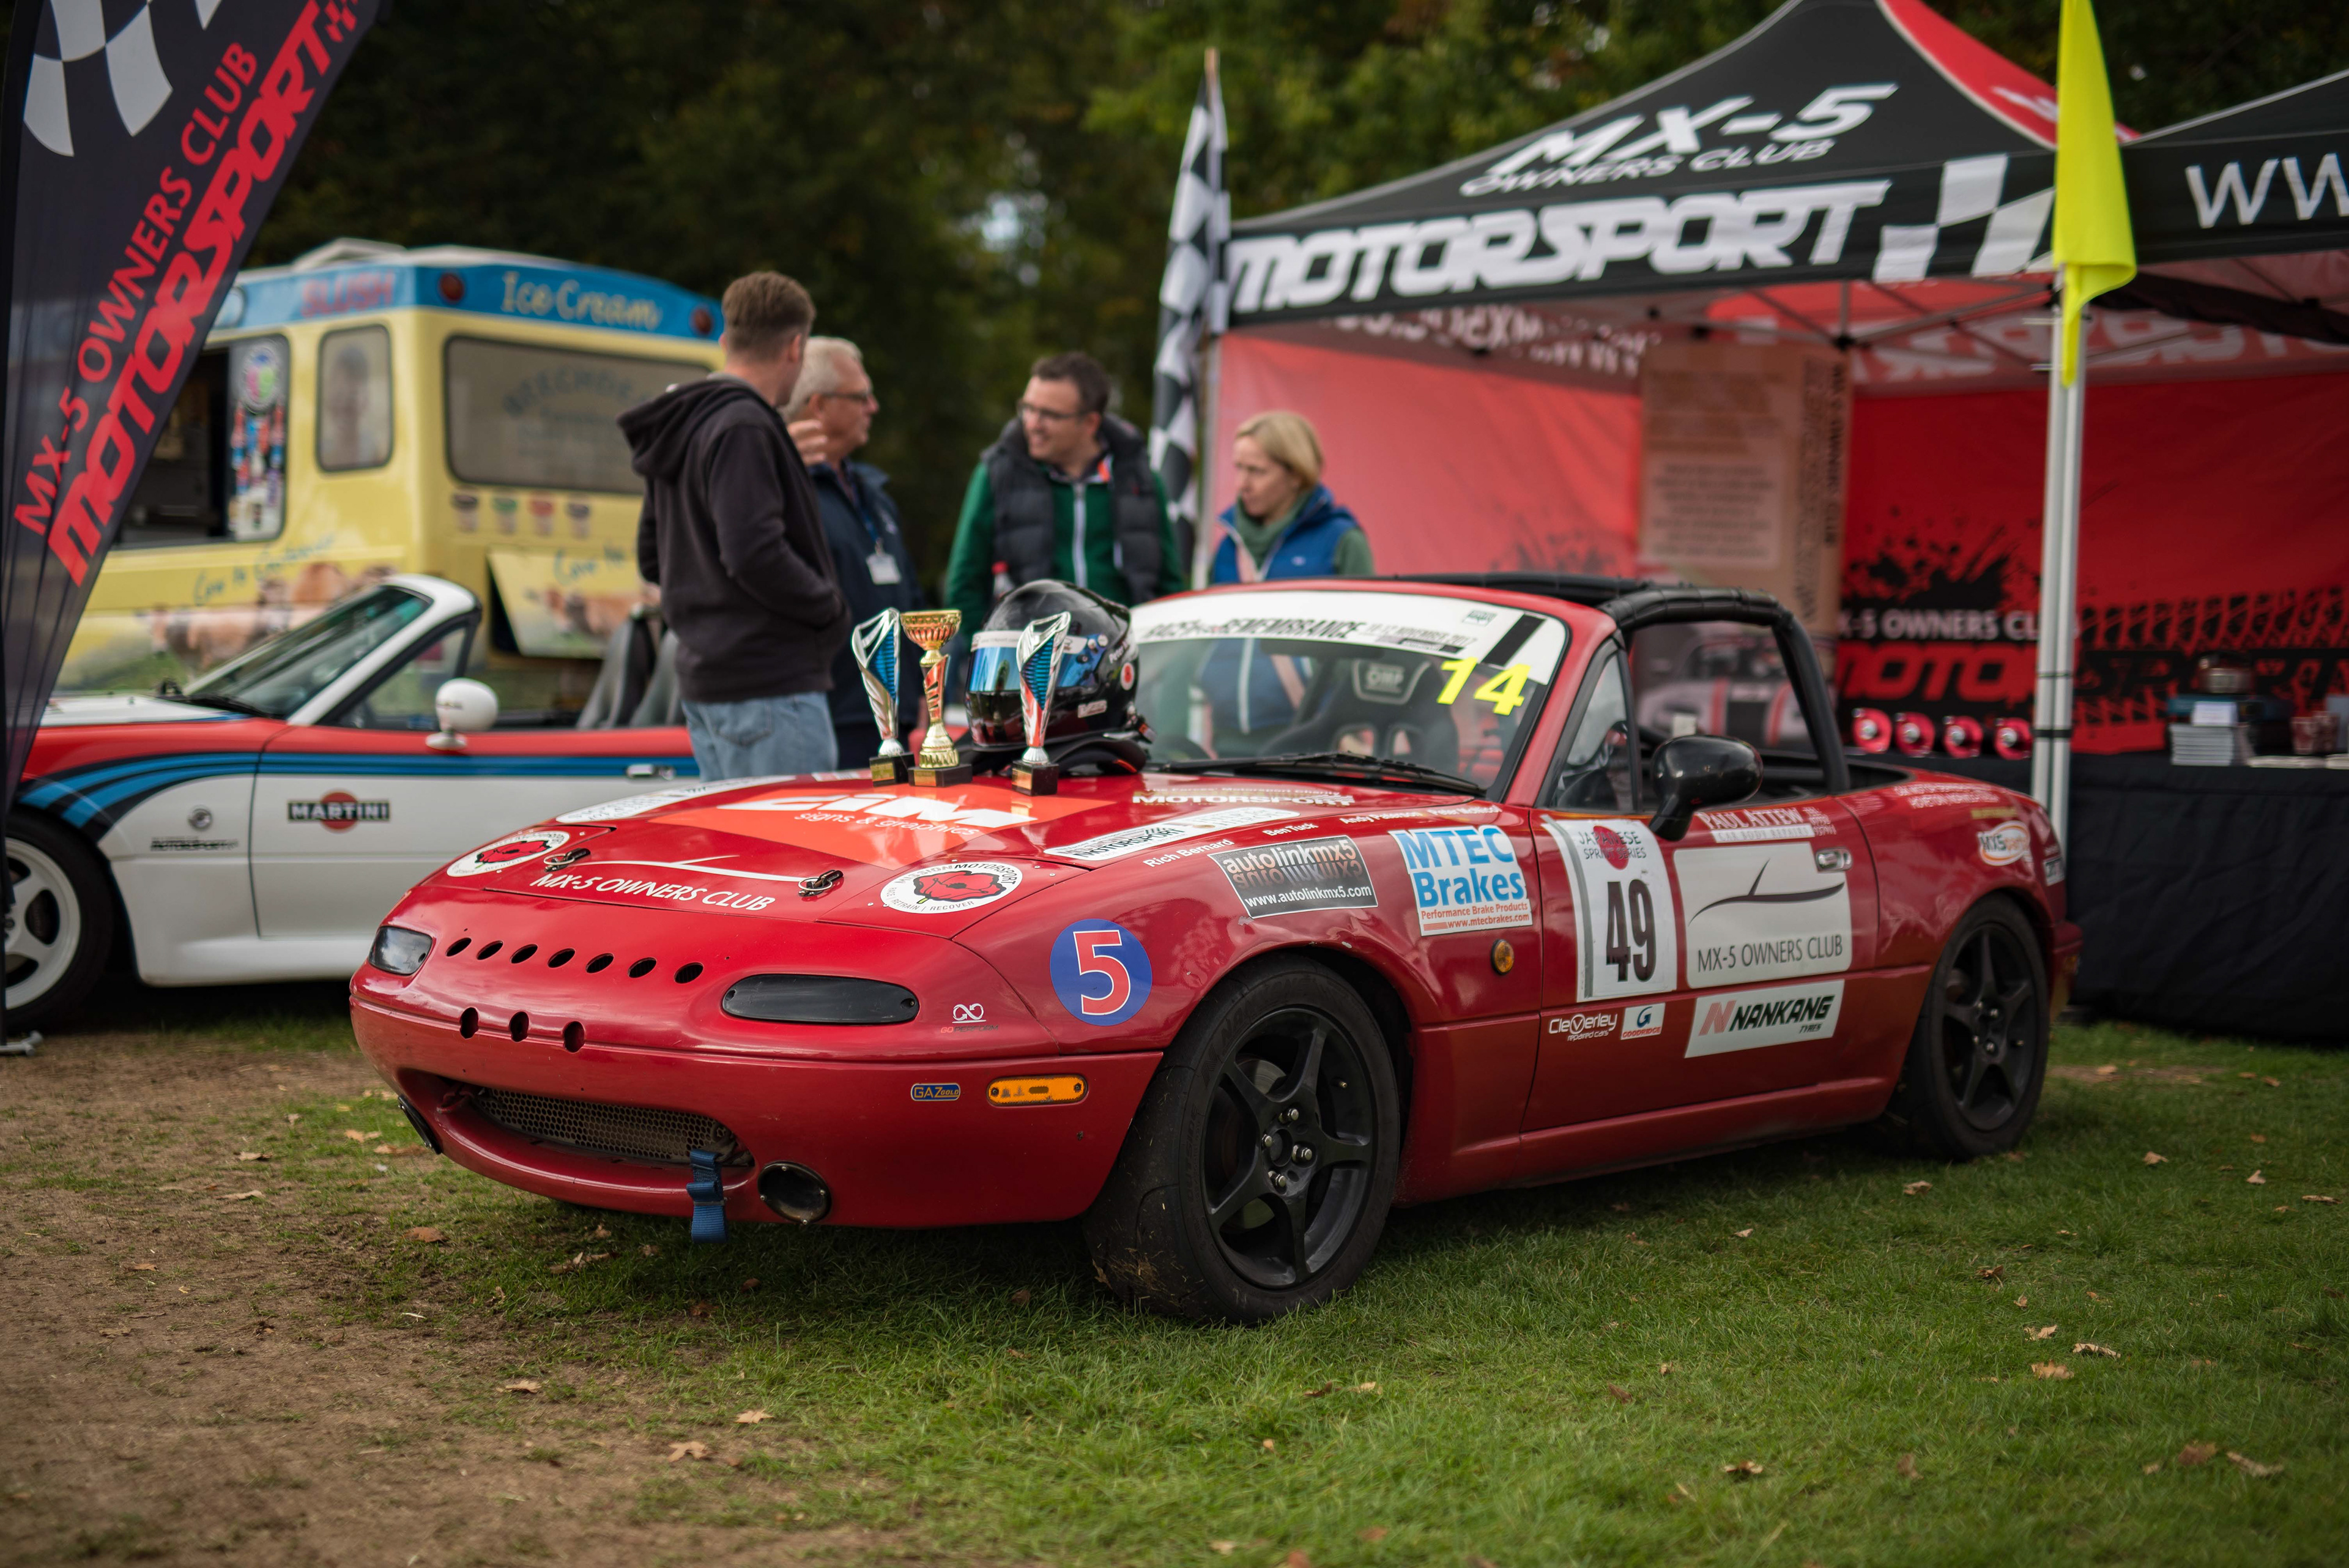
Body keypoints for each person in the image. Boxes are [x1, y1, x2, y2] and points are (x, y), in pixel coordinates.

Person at [619, 272, 848, 781]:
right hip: (769, 689)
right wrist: (827, 605)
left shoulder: (685, 424)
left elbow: (652, 556)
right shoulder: (744, 426)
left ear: (726, 342)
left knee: (747, 852)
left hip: (708, 685)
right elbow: (752, 551)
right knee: (793, 856)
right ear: (796, 347)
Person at [944, 352, 1184, 634]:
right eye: (1028, 408)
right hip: (1031, 665)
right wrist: (991, 656)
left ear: (1090, 423)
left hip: (1126, 660)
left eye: (1049, 415)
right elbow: (964, 584)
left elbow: (1169, 585)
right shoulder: (998, 475)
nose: (1033, 424)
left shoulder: (1140, 479)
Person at [782, 336, 924, 768]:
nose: (874, 407)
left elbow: (912, 598)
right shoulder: (785, 492)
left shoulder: (873, 493)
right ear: (819, 406)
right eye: (861, 396)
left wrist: (918, 686)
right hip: (829, 716)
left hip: (892, 719)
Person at [1208, 411, 1373, 584]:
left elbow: (1366, 609)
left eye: (1256, 471)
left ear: (1296, 475)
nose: (1242, 484)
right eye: (1239, 468)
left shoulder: (1343, 542)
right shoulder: (1228, 546)